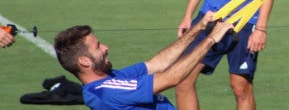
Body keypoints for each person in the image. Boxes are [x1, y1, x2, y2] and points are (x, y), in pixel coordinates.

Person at [53, 13, 233, 110]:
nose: (106, 47)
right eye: (98, 46)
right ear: (84, 62)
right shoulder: (106, 92)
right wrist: (210, 40)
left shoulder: (112, 78)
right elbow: (170, 79)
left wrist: (198, 28)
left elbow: (157, 64)